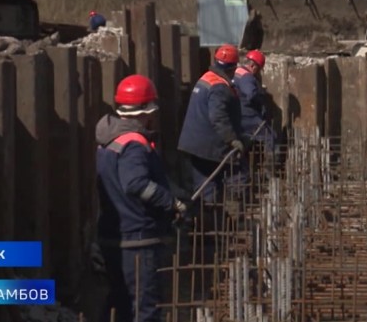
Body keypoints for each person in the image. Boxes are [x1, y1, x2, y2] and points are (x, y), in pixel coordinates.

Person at [95, 75, 187, 322]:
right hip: (137, 239)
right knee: (144, 309)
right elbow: (136, 184)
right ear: (146, 112)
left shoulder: (110, 139)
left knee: (121, 305)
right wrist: (171, 203)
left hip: (114, 235)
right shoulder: (134, 144)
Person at [177, 43, 246, 205]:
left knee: (205, 185)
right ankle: (214, 214)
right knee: (211, 187)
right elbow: (218, 117)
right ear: (233, 68)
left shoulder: (207, 77)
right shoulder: (219, 87)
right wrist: (232, 139)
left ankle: (210, 213)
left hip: (195, 143)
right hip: (207, 147)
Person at [232, 50, 276, 163]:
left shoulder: (237, 71)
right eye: (259, 69)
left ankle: (242, 163)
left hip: (237, 113)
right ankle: (269, 168)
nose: (258, 73)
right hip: (248, 115)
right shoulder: (247, 77)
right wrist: (260, 96)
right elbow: (251, 94)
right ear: (253, 65)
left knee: (246, 142)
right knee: (270, 136)